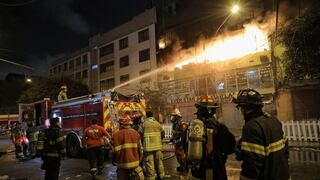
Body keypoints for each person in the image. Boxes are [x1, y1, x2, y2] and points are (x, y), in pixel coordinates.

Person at [233, 88, 290, 180]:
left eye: (240, 107)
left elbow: (251, 166)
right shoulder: (274, 121)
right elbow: (286, 151)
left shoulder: (251, 127)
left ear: (244, 108)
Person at [188, 96, 236, 180]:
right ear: (212, 110)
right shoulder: (219, 127)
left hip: (197, 172)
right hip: (216, 172)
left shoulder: (191, 127)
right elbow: (231, 147)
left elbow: (185, 147)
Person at [112, 114, 144, 180]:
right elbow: (140, 149)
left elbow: (112, 152)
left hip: (121, 165)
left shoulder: (115, 135)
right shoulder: (136, 133)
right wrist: (139, 160)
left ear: (120, 124)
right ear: (130, 124)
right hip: (134, 164)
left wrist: (114, 161)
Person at [142, 111, 165, 180]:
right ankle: (161, 176)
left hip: (148, 148)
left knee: (150, 163)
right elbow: (163, 133)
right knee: (159, 162)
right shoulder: (157, 124)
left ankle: (151, 178)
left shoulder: (144, 124)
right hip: (158, 147)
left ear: (146, 116)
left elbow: (139, 134)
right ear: (152, 116)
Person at [170, 108, 188, 172]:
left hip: (181, 143)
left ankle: (184, 166)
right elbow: (174, 132)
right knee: (177, 154)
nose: (172, 118)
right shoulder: (175, 124)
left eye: (174, 116)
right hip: (177, 142)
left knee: (181, 154)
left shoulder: (182, 124)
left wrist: (180, 141)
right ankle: (181, 165)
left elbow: (184, 134)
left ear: (177, 116)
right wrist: (172, 138)